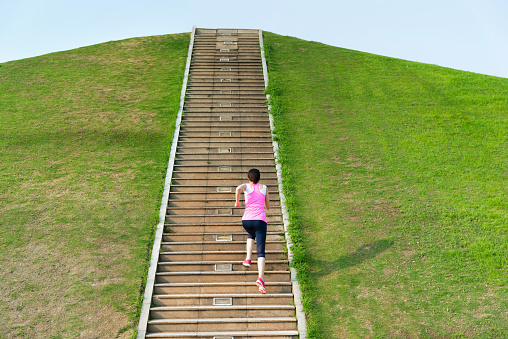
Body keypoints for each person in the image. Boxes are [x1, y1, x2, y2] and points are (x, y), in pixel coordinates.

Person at [235, 168, 270, 294]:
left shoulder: (246, 187)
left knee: (251, 234)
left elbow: (238, 188)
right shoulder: (264, 188)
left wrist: (237, 201)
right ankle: (261, 279)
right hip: (260, 221)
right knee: (261, 251)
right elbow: (268, 206)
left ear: (249, 178)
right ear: (259, 178)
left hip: (247, 221)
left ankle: (248, 259)